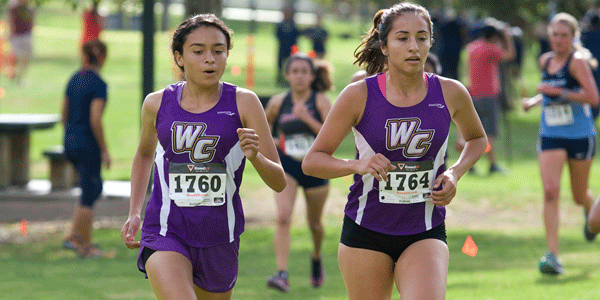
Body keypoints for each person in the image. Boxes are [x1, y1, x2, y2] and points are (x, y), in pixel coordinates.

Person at [302, 3, 487, 299]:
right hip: (366, 230)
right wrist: (357, 165)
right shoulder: (359, 94)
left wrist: (454, 173)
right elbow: (312, 161)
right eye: (402, 38)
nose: (414, 47)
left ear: (430, 43)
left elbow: (477, 139)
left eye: (422, 37)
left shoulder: (451, 92)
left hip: (424, 228)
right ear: (384, 46)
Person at [120, 14, 286, 300]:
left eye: (218, 51)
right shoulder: (157, 103)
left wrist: (255, 157)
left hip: (219, 236)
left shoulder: (244, 102)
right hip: (165, 229)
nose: (210, 59)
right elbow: (145, 154)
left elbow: (279, 181)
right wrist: (135, 211)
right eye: (198, 51)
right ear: (179, 57)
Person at [521, 12, 599, 275]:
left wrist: (559, 92)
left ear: (573, 37)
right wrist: (533, 101)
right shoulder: (546, 61)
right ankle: (552, 255)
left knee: (579, 196)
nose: (558, 40)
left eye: (564, 35)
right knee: (550, 191)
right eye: (554, 34)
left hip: (579, 135)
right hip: (551, 133)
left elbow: (593, 98)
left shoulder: (577, 63)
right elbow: (547, 93)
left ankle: (591, 214)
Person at [264, 53, 332, 292]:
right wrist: (271, 140)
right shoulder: (277, 102)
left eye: (305, 71)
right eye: (295, 71)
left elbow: (331, 136)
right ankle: (282, 273)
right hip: (288, 166)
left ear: (313, 76)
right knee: (283, 216)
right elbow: (264, 128)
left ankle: (316, 256)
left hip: (315, 167)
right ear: (287, 75)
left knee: (314, 223)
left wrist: (305, 117)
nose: (299, 76)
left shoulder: (321, 101)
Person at [61, 39, 111, 259]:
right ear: (102, 57)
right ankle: (86, 246)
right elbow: (96, 120)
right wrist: (104, 149)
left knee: (88, 189)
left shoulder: (74, 78)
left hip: (70, 140)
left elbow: (63, 112)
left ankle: (73, 236)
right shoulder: (98, 84)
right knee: (90, 192)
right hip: (88, 143)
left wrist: (71, 134)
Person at [460, 21, 515, 175]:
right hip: (488, 95)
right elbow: (510, 55)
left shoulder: (472, 47)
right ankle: (492, 164)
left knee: (473, 132)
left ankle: (470, 164)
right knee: (489, 132)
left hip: (472, 94)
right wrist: (507, 36)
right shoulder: (490, 49)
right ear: (493, 36)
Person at [7, 0, 34, 83]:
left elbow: (32, 18)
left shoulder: (29, 6)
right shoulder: (13, 6)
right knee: (16, 56)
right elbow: (10, 19)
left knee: (26, 57)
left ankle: (20, 77)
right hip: (16, 35)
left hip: (26, 34)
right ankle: (13, 74)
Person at [276, 5, 300, 86]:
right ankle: (280, 79)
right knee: (280, 64)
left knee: (292, 64)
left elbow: (297, 35)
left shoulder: (293, 25)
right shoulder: (280, 24)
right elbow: (277, 35)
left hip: (291, 48)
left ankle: (290, 80)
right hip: (282, 47)